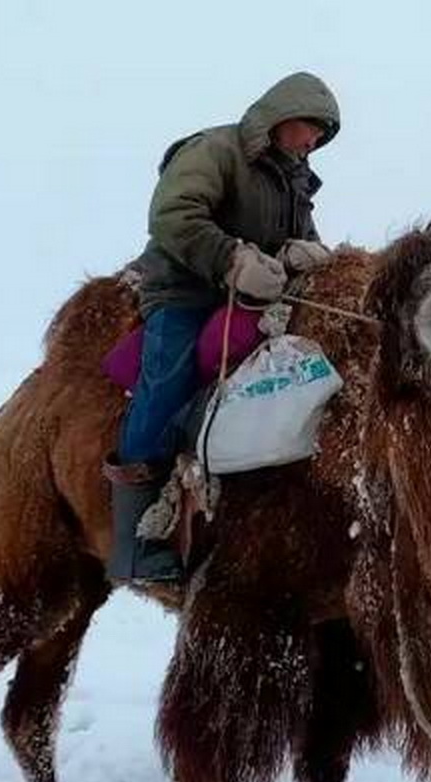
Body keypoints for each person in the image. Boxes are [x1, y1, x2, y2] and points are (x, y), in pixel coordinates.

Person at [106, 72, 341, 583]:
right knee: (166, 381)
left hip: (257, 298)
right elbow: (173, 214)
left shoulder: (296, 178)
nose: (314, 141)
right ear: (284, 113)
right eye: (311, 128)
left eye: (322, 136)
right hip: (184, 289)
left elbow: (302, 235)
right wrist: (230, 259)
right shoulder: (216, 150)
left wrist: (309, 252)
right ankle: (132, 544)